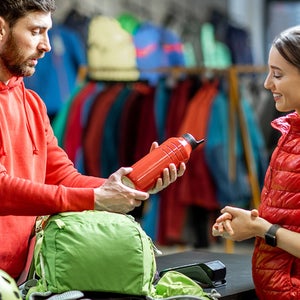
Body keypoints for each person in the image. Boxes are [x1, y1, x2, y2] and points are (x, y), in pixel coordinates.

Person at [0, 0, 186, 282]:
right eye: (36, 31)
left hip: (21, 276)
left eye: (48, 32)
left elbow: (63, 177)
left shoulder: (32, 104)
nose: (47, 45)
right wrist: (95, 199)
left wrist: (129, 186)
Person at [212, 25, 300, 300]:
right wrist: (252, 222)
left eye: (277, 74)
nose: (266, 84)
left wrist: (261, 228)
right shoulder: (290, 136)